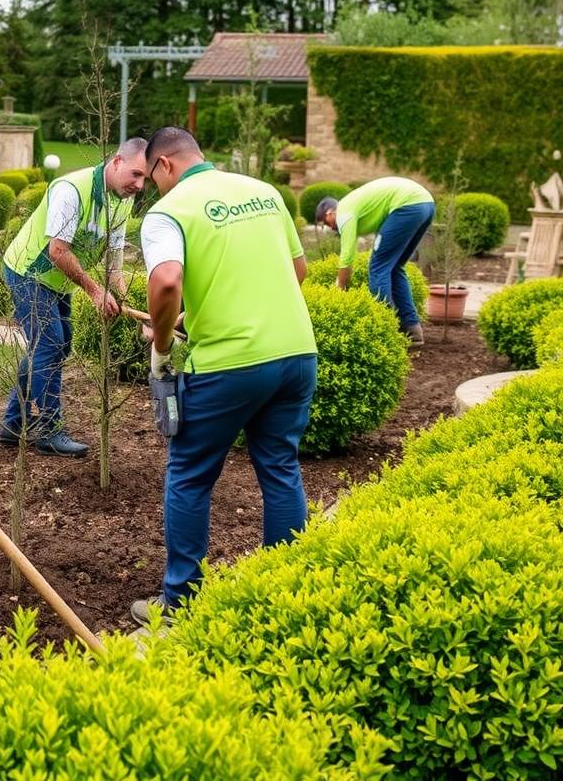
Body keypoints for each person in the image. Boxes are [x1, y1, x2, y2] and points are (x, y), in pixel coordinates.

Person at [131, 127, 317, 627]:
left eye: (153, 178)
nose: (154, 188)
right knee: (280, 467)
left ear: (164, 165)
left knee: (190, 473)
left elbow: (166, 281)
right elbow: (297, 272)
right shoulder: (264, 192)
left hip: (229, 364)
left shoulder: (168, 211)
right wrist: (197, 315)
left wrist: (162, 346)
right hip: (296, 353)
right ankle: (286, 588)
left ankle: (181, 601)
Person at [0, 139, 148, 457]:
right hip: (29, 271)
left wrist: (126, 303)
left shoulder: (122, 200)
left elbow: (113, 265)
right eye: (136, 174)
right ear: (117, 161)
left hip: (59, 281)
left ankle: (13, 424)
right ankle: (48, 431)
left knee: (57, 344)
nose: (139, 185)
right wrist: (95, 291)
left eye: (145, 178)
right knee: (50, 344)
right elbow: (58, 251)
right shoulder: (72, 190)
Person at [315, 176, 435, 345]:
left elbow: (347, 256)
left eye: (325, 223)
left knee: (378, 268)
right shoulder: (354, 204)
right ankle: (412, 330)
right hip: (425, 203)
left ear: (330, 212)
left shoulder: (342, 212)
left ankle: (385, 329)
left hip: (407, 205)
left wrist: (340, 287)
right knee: (394, 267)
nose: (330, 228)